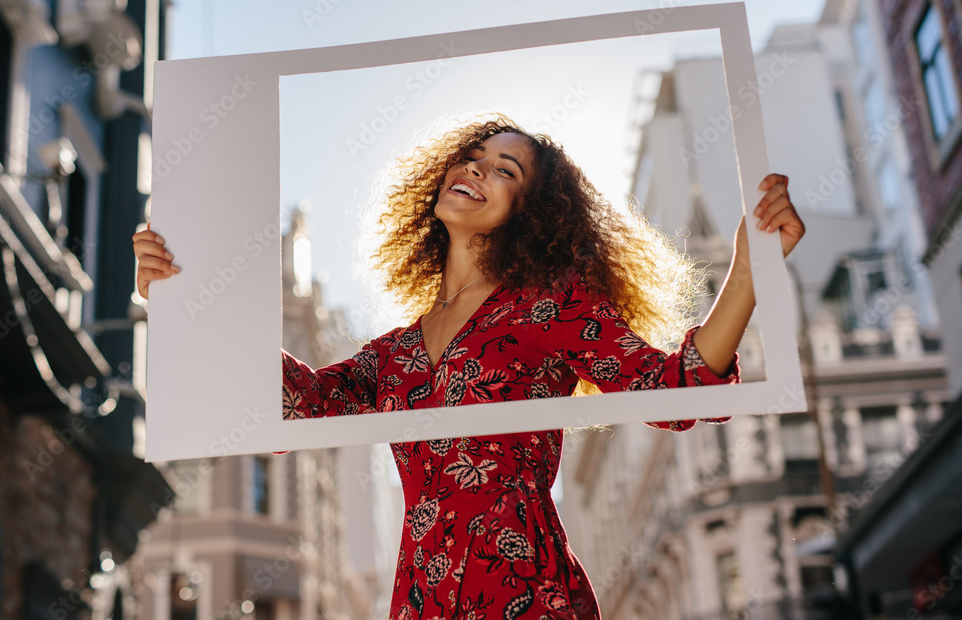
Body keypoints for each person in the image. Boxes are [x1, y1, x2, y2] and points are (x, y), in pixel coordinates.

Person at [133, 116, 804, 619]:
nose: (480, 171)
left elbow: (674, 393)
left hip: (527, 591)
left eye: (506, 171)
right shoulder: (393, 354)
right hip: (423, 598)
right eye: (475, 156)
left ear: (529, 213)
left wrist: (750, 270)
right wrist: (183, 297)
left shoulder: (552, 304)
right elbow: (292, 408)